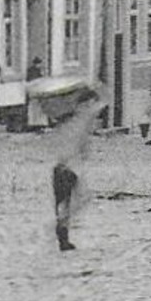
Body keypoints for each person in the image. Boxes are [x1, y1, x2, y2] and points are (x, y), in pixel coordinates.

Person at [50, 86, 105, 252]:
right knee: (76, 200)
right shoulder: (79, 123)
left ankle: (62, 231)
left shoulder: (73, 121)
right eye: (90, 104)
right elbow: (74, 145)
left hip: (63, 166)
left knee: (67, 201)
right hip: (69, 167)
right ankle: (61, 230)